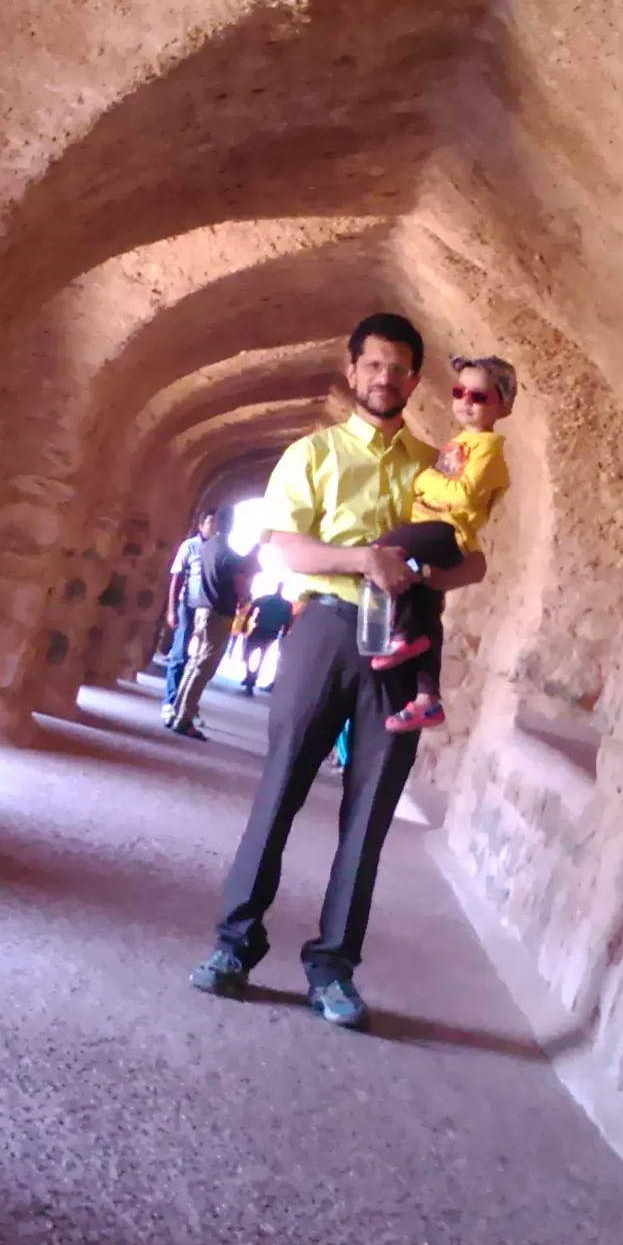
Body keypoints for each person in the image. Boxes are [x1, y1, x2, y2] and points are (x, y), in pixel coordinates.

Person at [189, 312, 484, 1030]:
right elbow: (286, 547)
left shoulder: (437, 466)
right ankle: (236, 945)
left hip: (403, 640)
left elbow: (472, 557)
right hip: (324, 627)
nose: (386, 377)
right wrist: (363, 561)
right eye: (373, 365)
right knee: (282, 784)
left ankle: (333, 967)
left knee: (371, 810)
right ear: (352, 372)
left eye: (400, 367)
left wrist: (426, 576)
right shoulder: (313, 454)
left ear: (416, 379)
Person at [367, 355, 516, 732]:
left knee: (383, 552)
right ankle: (426, 699)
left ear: (503, 405)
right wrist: (433, 480)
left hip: (447, 530)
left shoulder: (489, 450)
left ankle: (400, 634)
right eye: (459, 392)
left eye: (478, 397)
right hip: (431, 524)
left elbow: (463, 496)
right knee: (425, 604)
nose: (466, 401)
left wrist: (424, 481)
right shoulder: (461, 443)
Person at [164, 538, 244, 736]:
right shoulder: (227, 554)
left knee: (194, 664)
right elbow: (241, 588)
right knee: (203, 668)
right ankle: (184, 718)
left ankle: (176, 712)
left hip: (203, 609)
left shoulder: (208, 549)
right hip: (219, 613)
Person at [156, 513, 224, 733]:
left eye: (218, 523)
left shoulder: (219, 549)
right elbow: (177, 578)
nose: (215, 527)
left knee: (199, 661)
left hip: (208, 609)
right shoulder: (190, 546)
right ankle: (170, 702)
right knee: (180, 654)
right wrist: (171, 610)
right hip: (188, 606)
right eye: (211, 522)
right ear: (201, 524)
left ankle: (188, 707)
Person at [236, 589, 294, 691]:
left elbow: (251, 609)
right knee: (259, 656)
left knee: (248, 653)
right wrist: (284, 635)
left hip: (261, 630)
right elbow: (288, 621)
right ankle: (251, 677)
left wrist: (245, 623)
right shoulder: (286, 605)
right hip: (271, 633)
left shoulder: (265, 599)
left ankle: (251, 676)